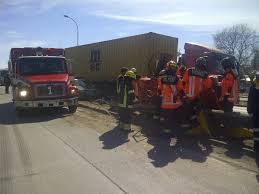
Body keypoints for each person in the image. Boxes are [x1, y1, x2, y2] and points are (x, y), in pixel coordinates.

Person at [183, 57, 212, 126]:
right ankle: (193, 123)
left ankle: (185, 124)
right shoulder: (205, 74)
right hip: (197, 97)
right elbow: (208, 86)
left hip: (187, 96)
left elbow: (183, 82)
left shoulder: (189, 71)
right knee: (195, 112)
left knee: (186, 111)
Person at [157, 60, 185, 132]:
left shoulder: (162, 77)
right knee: (171, 115)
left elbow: (159, 88)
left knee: (165, 115)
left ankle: (164, 128)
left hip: (164, 100)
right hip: (173, 100)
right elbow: (180, 89)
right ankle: (170, 129)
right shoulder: (177, 78)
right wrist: (183, 96)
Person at [247, 71, 259, 159]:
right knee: (256, 130)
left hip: (255, 113)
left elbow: (250, 100)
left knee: (256, 131)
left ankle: (256, 147)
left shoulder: (253, 86)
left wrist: (250, 111)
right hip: (255, 112)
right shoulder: (253, 86)